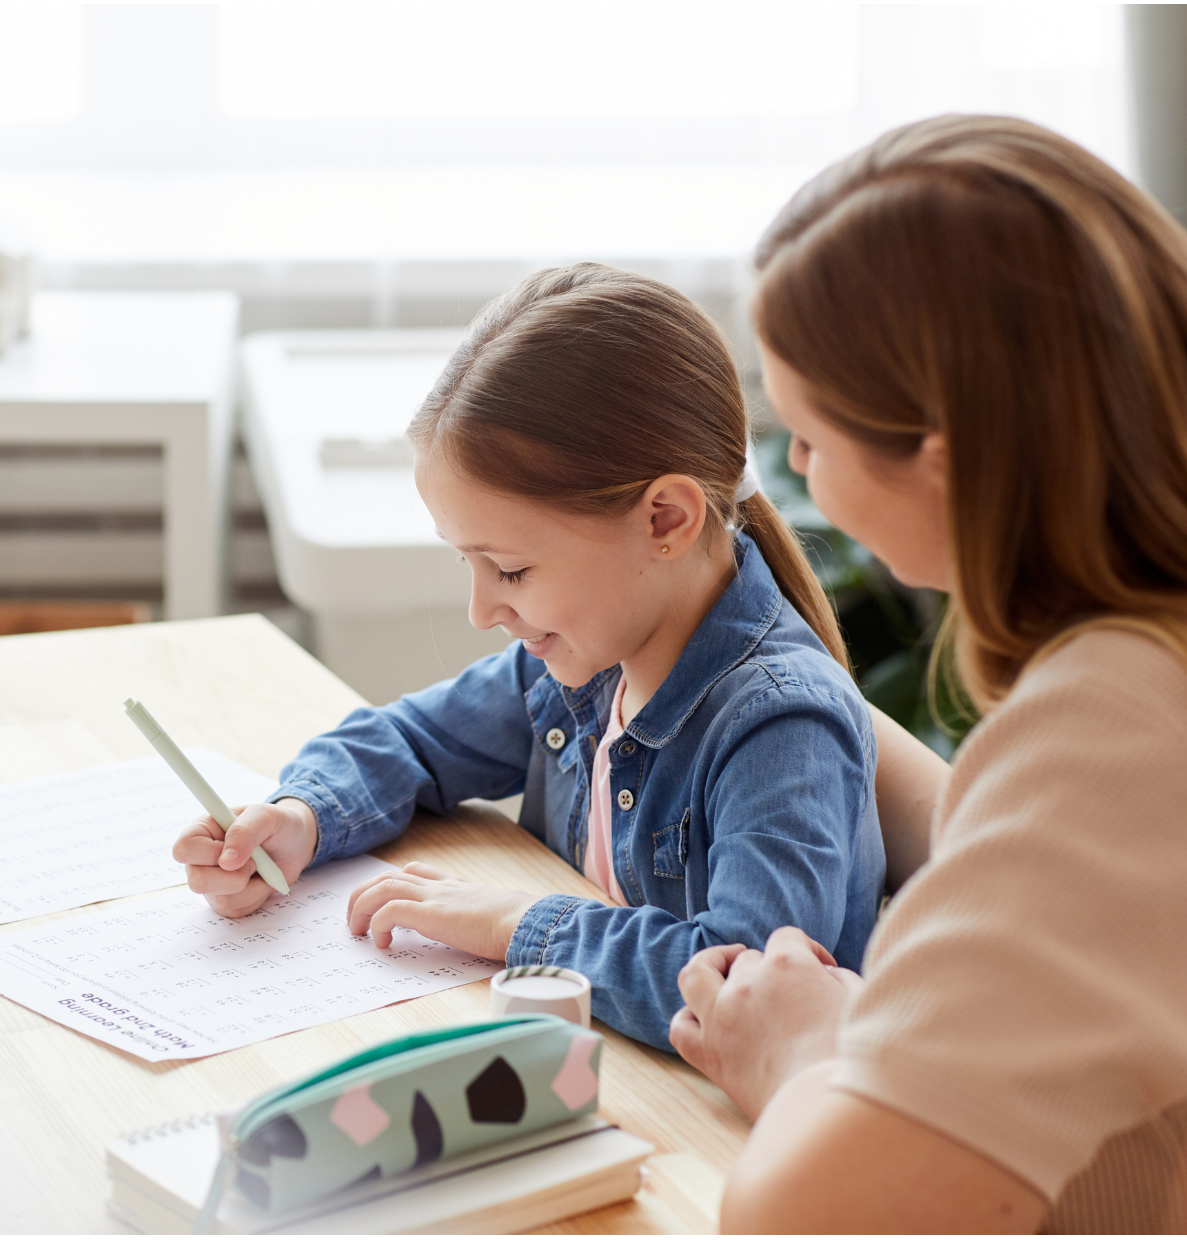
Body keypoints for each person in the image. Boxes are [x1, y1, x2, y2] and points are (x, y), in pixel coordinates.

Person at [669, 114, 1187, 1232]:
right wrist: (788, 697)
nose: (790, 474)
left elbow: (805, 1211)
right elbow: (1059, 865)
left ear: (945, 460)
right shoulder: (1144, 670)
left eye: (805, 438)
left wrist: (812, 1038)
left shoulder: (1114, 723)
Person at [172, 263, 885, 1050]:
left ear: (666, 519)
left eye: (510, 570)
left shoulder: (779, 726)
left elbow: (741, 992)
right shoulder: (590, 659)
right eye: (467, 563)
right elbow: (409, 740)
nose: (482, 611)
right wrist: (302, 816)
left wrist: (515, 920)